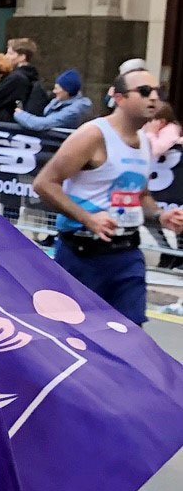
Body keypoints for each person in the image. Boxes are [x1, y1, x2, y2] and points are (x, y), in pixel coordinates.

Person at [35, 63, 183, 325]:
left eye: (157, 91)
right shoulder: (93, 135)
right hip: (83, 254)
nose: (153, 98)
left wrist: (161, 216)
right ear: (119, 98)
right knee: (78, 336)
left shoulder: (146, 142)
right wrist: (88, 218)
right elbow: (45, 184)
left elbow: (142, 194)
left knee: (131, 335)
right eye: (145, 91)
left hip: (127, 254)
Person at [0, 37, 47, 121]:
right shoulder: (31, 76)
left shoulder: (15, 78)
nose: (6, 56)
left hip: (4, 124)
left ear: (22, 57)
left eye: (10, 53)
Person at [15, 69, 92, 132]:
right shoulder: (59, 101)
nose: (54, 91)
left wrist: (19, 114)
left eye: (57, 88)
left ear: (67, 91)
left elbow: (42, 124)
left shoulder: (73, 111)